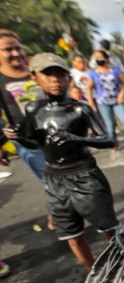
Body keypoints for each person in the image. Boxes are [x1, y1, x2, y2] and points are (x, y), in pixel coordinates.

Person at [10, 53, 118, 271]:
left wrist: (78, 138)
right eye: (47, 75)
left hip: (84, 174)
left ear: (69, 78)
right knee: (73, 235)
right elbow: (35, 145)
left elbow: (109, 140)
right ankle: (93, 272)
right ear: (34, 77)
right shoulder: (32, 109)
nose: (55, 80)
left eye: (60, 75)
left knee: (109, 230)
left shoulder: (80, 109)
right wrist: (19, 138)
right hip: (54, 177)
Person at [0, 29, 54, 231]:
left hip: (52, 133)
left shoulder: (36, 71)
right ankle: (59, 214)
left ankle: (57, 211)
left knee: (60, 176)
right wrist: (1, 145)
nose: (15, 53)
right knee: (49, 180)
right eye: (8, 49)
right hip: (26, 142)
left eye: (17, 48)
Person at [86, 50, 124, 153]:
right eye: (95, 58)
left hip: (117, 101)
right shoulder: (93, 73)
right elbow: (88, 87)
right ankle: (113, 143)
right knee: (110, 125)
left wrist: (121, 93)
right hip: (103, 102)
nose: (97, 60)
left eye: (100, 57)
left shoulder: (115, 70)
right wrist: (90, 101)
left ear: (106, 58)